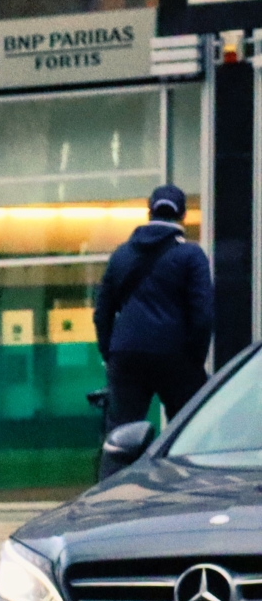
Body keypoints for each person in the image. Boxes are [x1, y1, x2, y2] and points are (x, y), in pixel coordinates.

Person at [94, 183, 213, 430]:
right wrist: (194, 359)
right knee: (187, 432)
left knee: (121, 435)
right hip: (176, 355)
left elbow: (102, 313)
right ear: (183, 215)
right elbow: (202, 315)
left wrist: (111, 353)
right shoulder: (191, 255)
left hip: (126, 354)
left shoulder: (121, 254)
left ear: (149, 212)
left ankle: (116, 470)